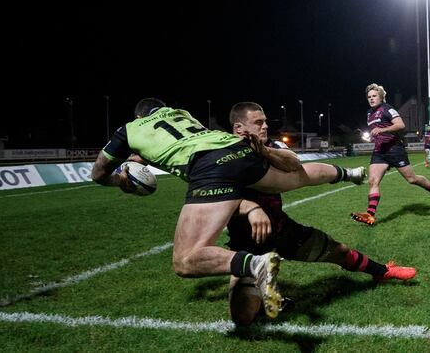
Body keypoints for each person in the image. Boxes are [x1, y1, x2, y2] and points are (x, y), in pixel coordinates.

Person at [90, 98, 367, 319]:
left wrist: (118, 180)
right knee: (297, 177)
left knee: (185, 260)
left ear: (139, 117)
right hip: (234, 150)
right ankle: (349, 174)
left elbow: (98, 173)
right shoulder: (181, 114)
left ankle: (256, 264)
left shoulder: (130, 129)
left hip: (209, 167)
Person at [225, 102, 416, 326]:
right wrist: (249, 208)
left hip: (281, 229)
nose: (265, 126)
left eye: (265, 121)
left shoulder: (272, 146)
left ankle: (382, 271)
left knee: (339, 251)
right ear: (239, 128)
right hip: (247, 243)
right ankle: (264, 287)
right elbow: (208, 199)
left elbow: (294, 163)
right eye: (258, 123)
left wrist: (264, 151)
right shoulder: (223, 156)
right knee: (244, 316)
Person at [351, 83, 430, 226]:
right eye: (369, 97)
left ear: (381, 97)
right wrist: (372, 137)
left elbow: (401, 125)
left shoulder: (387, 109)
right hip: (379, 152)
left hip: (395, 149)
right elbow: (377, 131)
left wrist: (382, 130)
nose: (371, 99)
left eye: (374, 96)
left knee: (412, 179)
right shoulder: (369, 113)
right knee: (373, 181)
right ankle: (370, 215)